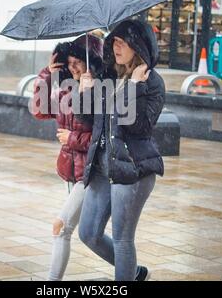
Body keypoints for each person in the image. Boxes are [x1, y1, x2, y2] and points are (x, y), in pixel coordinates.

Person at [30, 33, 148, 281]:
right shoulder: (65, 91)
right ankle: (133, 272)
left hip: (90, 172)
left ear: (90, 62)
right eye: (69, 63)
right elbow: (40, 111)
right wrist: (46, 74)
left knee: (61, 227)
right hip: (70, 172)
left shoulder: (100, 91)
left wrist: (72, 137)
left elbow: (103, 137)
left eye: (78, 62)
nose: (73, 68)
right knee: (83, 233)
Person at [76, 19, 165, 281]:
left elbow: (138, 126)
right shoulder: (107, 75)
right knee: (88, 233)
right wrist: (84, 92)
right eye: (114, 41)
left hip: (133, 168)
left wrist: (135, 87)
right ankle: (133, 272)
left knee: (122, 239)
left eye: (123, 42)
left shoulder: (152, 82)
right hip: (104, 166)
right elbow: (89, 120)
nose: (116, 47)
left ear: (138, 46)